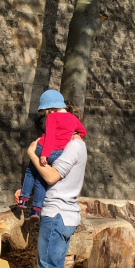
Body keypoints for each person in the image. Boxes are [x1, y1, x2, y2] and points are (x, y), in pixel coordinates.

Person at [25, 116, 95, 268]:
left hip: (57, 215)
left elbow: (50, 176)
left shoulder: (73, 146)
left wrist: (33, 155)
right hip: (66, 215)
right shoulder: (74, 145)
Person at [17, 91, 87, 220]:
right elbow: (83, 131)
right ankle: (36, 210)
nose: (45, 115)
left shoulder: (52, 117)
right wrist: (72, 136)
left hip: (43, 149)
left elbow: (49, 137)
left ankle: (24, 199)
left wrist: (44, 154)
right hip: (60, 153)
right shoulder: (73, 119)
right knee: (40, 179)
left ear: (51, 109)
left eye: (45, 112)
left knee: (31, 172)